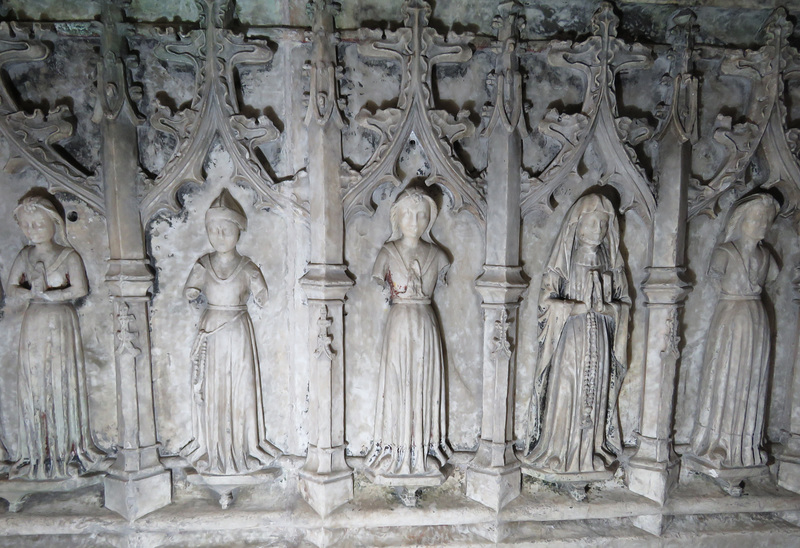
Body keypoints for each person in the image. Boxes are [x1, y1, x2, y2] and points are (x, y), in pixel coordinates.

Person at [524, 193, 630, 476]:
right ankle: (558, 450)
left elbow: (624, 303)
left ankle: (591, 451)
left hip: (600, 337)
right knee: (568, 389)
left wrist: (607, 308)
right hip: (570, 338)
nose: (597, 231)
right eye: (592, 223)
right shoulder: (565, 260)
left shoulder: (609, 261)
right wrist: (575, 308)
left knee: (595, 392)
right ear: (577, 225)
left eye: (603, 225)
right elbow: (545, 303)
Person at [181, 189, 278, 475]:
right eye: (213, 230)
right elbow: (191, 290)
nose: (220, 235)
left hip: (237, 331)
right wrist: (191, 294)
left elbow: (262, 294)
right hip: (212, 328)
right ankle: (213, 447)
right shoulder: (203, 264)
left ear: (239, 231)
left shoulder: (248, 266)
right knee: (213, 390)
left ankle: (242, 447)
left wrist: (260, 293)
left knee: (240, 390)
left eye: (226, 230)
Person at [7, 195, 102, 479]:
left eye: (38, 223)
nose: (33, 229)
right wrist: (31, 294)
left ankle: (69, 450)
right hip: (34, 322)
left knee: (62, 382)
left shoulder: (67, 255)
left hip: (61, 320)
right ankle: (37, 453)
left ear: (54, 223)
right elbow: (11, 288)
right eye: (27, 225)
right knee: (36, 383)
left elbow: (80, 288)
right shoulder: (25, 255)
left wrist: (51, 295)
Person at [688, 193, 779, 471]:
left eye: (765, 219)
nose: (761, 224)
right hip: (730, 320)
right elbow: (715, 279)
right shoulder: (724, 253)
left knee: (751, 383)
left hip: (756, 322)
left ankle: (747, 447)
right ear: (740, 220)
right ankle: (719, 442)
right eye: (754, 218)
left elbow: (774, 275)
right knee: (726, 379)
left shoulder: (767, 257)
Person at [366, 187, 452, 479]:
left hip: (425, 324)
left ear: (429, 218)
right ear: (397, 218)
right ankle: (395, 451)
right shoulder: (387, 254)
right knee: (397, 384)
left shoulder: (438, 256)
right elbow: (378, 278)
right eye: (407, 214)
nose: (414, 221)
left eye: (420, 215)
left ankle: (421, 451)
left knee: (423, 385)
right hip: (400, 323)